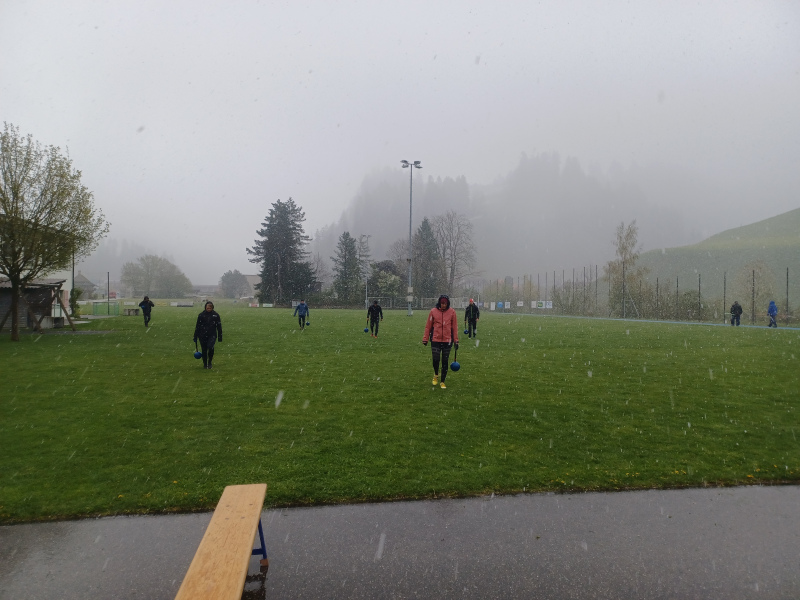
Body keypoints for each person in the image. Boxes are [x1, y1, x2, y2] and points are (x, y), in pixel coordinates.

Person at [422, 294, 459, 389]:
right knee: (436, 359)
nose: (443, 305)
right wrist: (425, 338)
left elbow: (454, 327)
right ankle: (436, 374)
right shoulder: (433, 311)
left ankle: (442, 381)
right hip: (435, 339)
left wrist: (456, 340)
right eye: (442, 303)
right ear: (439, 303)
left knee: (445, 361)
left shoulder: (452, 312)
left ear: (448, 303)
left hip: (448, 340)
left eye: (445, 303)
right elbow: (428, 326)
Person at [193, 301, 222, 369]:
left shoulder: (216, 315)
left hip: (212, 335)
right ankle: (205, 364)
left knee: (210, 347)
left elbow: (219, 326)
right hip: (202, 335)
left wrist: (220, 337)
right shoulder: (201, 315)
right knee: (204, 349)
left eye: (210, 308)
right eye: (207, 308)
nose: (209, 309)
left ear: (212, 308)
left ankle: (209, 362)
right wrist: (195, 336)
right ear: (205, 307)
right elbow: (197, 326)